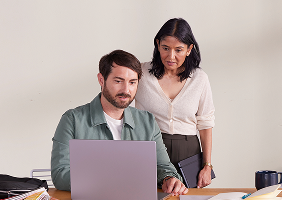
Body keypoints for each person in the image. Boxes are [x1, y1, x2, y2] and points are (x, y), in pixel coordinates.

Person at [51, 49, 188, 196]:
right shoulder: (72, 120)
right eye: (118, 81)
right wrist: (109, 183)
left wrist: (169, 178)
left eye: (132, 82)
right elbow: (60, 173)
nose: (126, 90)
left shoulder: (147, 121)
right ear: (101, 80)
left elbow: (163, 166)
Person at [135, 18, 215, 188]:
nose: (171, 56)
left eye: (178, 50)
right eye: (165, 48)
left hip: (189, 152)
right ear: (157, 44)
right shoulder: (141, 74)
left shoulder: (199, 79)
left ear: (189, 49)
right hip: (151, 149)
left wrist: (207, 165)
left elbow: (206, 123)